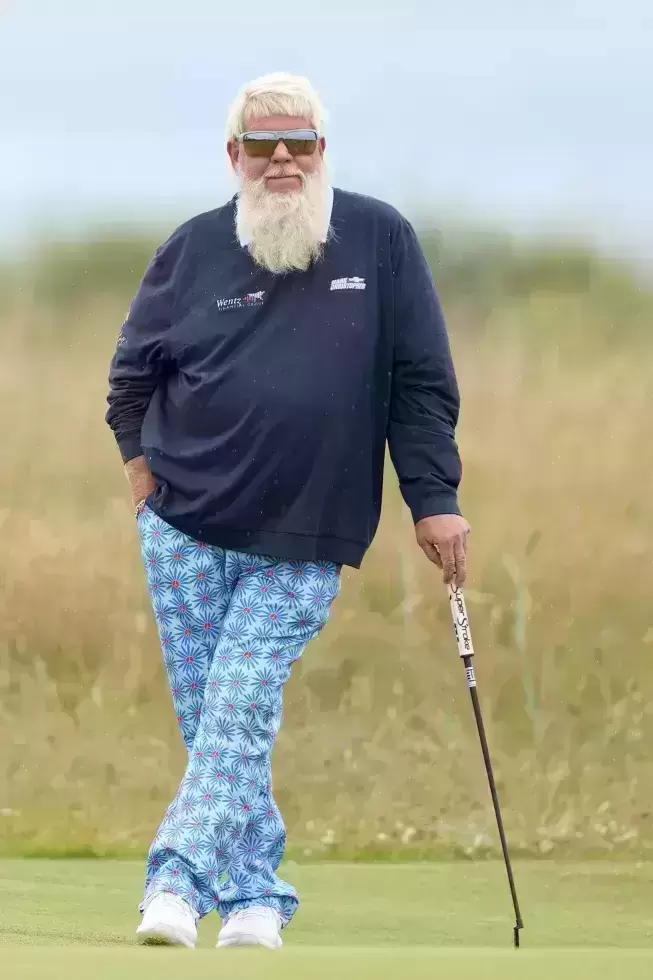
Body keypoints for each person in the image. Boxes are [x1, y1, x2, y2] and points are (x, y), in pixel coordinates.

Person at [105, 71, 470, 951]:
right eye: (262, 145)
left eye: (298, 143)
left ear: (320, 151)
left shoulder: (379, 239)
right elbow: (131, 378)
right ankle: (256, 897)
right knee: (215, 728)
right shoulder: (192, 248)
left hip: (305, 530)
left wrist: (434, 499)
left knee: (236, 705)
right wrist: (143, 485)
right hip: (184, 527)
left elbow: (420, 384)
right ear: (233, 155)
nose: (281, 159)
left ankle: (174, 882)